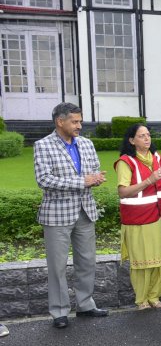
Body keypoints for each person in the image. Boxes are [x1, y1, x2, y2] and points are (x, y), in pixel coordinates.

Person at [34, 102, 109, 329]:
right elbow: (44, 180)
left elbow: (94, 170)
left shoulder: (86, 144)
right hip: (57, 216)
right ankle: (59, 311)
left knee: (87, 262)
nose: (79, 125)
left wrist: (96, 179)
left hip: (85, 211)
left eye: (80, 121)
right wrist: (82, 181)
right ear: (60, 121)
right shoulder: (43, 145)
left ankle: (85, 304)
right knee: (57, 267)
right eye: (75, 121)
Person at [114, 124, 161, 310]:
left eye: (148, 135)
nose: (147, 139)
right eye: (141, 136)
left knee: (160, 260)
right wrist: (150, 180)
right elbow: (123, 192)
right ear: (132, 141)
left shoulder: (156, 158)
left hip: (158, 216)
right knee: (142, 263)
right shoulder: (126, 162)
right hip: (138, 219)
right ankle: (142, 300)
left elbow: (159, 182)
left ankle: (155, 297)